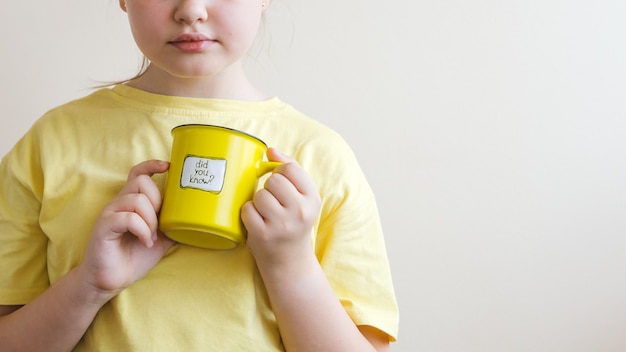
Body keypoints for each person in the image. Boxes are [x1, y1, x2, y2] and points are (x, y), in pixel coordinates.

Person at [0, 0, 399, 350]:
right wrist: (90, 285)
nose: (191, 9)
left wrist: (290, 265)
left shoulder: (321, 158)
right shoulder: (51, 144)